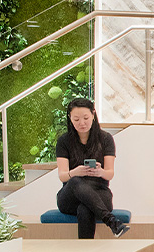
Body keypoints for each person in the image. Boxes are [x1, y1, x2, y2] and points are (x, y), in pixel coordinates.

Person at [54, 97, 127, 238]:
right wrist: (75, 172)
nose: (82, 123)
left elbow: (110, 174)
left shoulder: (105, 139)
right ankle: (111, 221)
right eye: (76, 119)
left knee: (85, 209)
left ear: (93, 115)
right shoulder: (64, 141)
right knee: (75, 180)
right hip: (70, 196)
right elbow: (62, 176)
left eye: (86, 118)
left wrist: (100, 172)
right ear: (70, 118)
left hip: (100, 192)